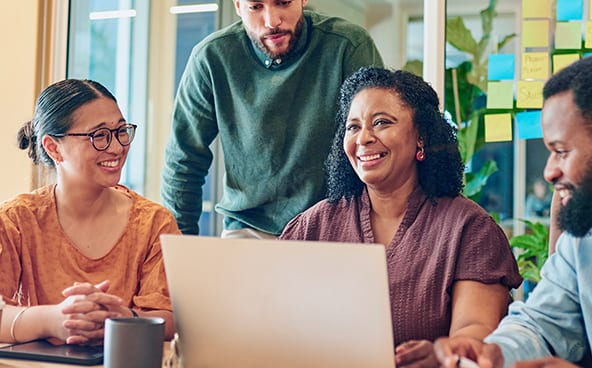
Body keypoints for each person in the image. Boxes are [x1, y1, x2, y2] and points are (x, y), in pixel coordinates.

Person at [280, 67, 522, 367]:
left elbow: (475, 331)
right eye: (353, 127)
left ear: (421, 136)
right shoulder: (313, 226)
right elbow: (274, 322)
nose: (364, 138)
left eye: (381, 123)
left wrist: (442, 354)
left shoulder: (469, 229)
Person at [161, 0, 383, 237]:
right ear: (237, 5)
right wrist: (179, 248)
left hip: (334, 225)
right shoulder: (211, 58)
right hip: (248, 228)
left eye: (283, 2)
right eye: (256, 6)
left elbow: (380, 142)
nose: (272, 21)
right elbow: (183, 160)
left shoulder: (348, 46)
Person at [434, 56, 592, 368]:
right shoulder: (580, 239)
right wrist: (494, 352)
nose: (549, 172)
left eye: (561, 152)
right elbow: (540, 325)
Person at [0, 79, 179, 345]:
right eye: (99, 135)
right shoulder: (16, 220)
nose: (117, 147)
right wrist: (55, 319)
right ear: (53, 148)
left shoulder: (155, 223)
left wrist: (123, 317)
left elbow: (172, 320)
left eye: (121, 131)